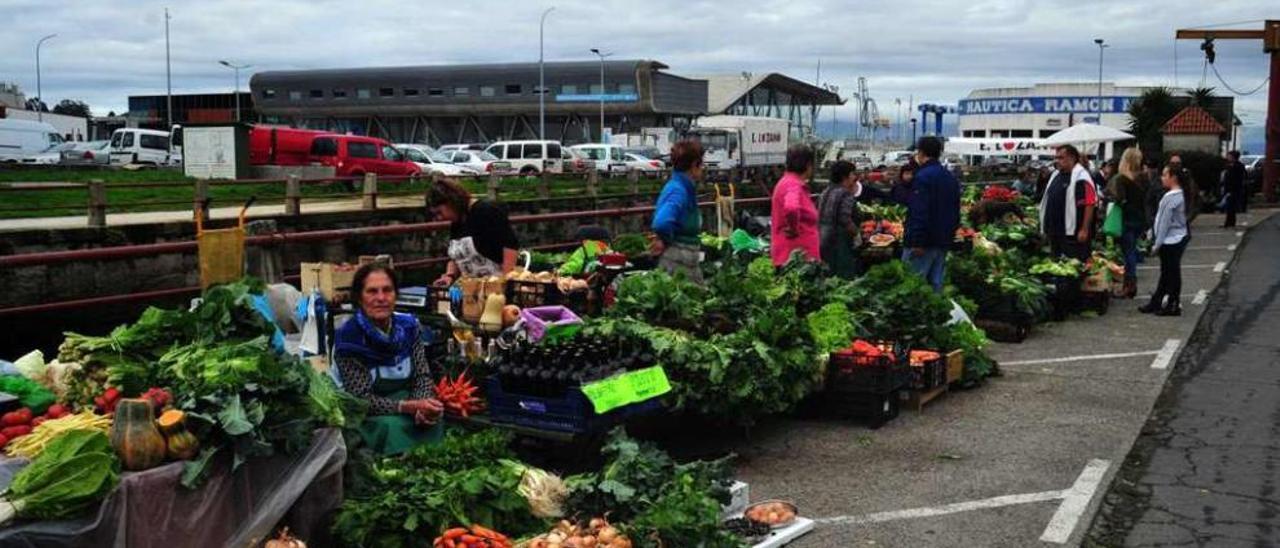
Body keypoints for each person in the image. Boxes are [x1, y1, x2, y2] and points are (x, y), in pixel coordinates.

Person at [335, 263, 444, 455]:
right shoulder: (349, 338)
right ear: (360, 298)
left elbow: (422, 375)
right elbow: (361, 400)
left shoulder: (409, 327)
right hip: (366, 414)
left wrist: (421, 406)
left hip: (405, 401)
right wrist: (407, 407)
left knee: (433, 419)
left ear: (396, 295)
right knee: (390, 427)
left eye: (387, 290)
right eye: (372, 291)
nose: (381, 298)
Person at [430, 179, 519, 285]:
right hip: (471, 287)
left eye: (440, 212)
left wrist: (504, 281)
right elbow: (456, 256)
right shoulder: (457, 221)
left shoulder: (486, 211)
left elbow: (510, 246)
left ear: (451, 202)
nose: (439, 218)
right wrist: (450, 275)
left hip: (495, 283)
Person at [901, 136, 961, 293]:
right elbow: (955, 210)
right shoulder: (950, 177)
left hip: (924, 243)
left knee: (912, 286)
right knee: (936, 285)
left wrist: (917, 241)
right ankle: (936, 316)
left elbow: (919, 211)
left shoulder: (922, 177)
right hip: (942, 241)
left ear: (920, 153)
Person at [651, 140, 706, 283]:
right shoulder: (678, 190)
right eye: (701, 164)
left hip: (685, 260)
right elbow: (661, 223)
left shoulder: (683, 188)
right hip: (677, 262)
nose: (703, 168)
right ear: (694, 165)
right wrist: (666, 239)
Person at [1139, 165, 1191, 317]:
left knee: (1171, 273)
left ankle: (1173, 304)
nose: (1162, 178)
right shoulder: (1177, 195)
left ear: (1173, 177)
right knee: (1167, 273)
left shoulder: (1172, 198)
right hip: (1174, 238)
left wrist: (1157, 243)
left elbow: (1164, 223)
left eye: (1164, 175)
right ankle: (1158, 300)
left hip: (1171, 240)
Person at [1038, 145, 1097, 262]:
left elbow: (1090, 203)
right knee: (1057, 264)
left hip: (1072, 234)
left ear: (1072, 158)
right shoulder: (1056, 175)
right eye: (1056, 158)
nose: (1057, 161)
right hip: (1055, 231)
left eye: (1061, 158)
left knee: (1074, 264)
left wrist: (1084, 229)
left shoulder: (1082, 177)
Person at [771, 144, 821, 267]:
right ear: (808, 165)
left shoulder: (786, 181)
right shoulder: (793, 185)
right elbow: (791, 208)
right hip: (797, 258)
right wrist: (793, 228)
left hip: (791, 254)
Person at [1107, 148, 1147, 298]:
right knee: (1131, 251)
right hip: (1139, 219)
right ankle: (1130, 285)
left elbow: (1118, 199)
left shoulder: (1122, 179)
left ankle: (1129, 286)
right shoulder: (1142, 178)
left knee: (1128, 253)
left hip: (1125, 219)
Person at [818, 160, 863, 278]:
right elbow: (845, 219)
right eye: (852, 174)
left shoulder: (825, 192)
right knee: (843, 278)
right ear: (845, 177)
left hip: (823, 242)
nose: (854, 177)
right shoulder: (845, 194)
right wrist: (857, 234)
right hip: (839, 244)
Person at [1221, 150, 1246, 228]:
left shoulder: (1238, 166)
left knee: (1231, 207)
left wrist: (1231, 189)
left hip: (1234, 189)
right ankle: (1229, 222)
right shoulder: (1228, 165)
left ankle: (1230, 223)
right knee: (1229, 207)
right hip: (1228, 188)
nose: (1228, 157)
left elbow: (1237, 179)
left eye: (1229, 156)